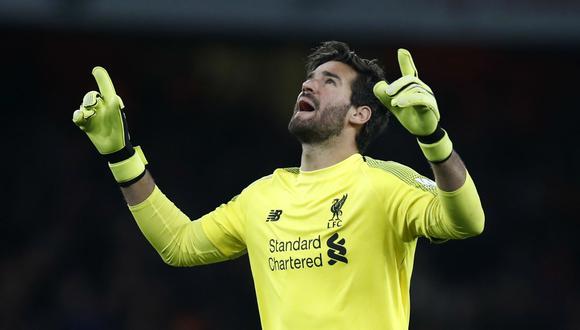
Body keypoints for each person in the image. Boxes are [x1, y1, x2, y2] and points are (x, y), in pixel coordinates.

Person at [72, 41, 484, 330]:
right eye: (310, 79)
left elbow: (467, 221)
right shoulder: (262, 195)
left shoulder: (383, 183)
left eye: (329, 82)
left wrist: (434, 139)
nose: (308, 85)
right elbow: (179, 245)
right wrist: (121, 156)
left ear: (359, 114)